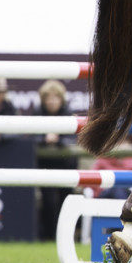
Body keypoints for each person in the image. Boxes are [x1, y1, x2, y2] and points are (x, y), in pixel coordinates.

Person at [35, 80, 79, 241]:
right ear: (43, 100)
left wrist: (58, 140)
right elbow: (30, 137)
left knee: (66, 200)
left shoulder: (69, 113)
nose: (51, 102)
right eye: (48, 98)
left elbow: (73, 139)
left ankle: (66, 236)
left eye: (55, 98)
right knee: (48, 201)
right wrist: (43, 139)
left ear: (61, 99)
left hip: (66, 165)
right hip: (44, 165)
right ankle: (49, 236)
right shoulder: (37, 113)